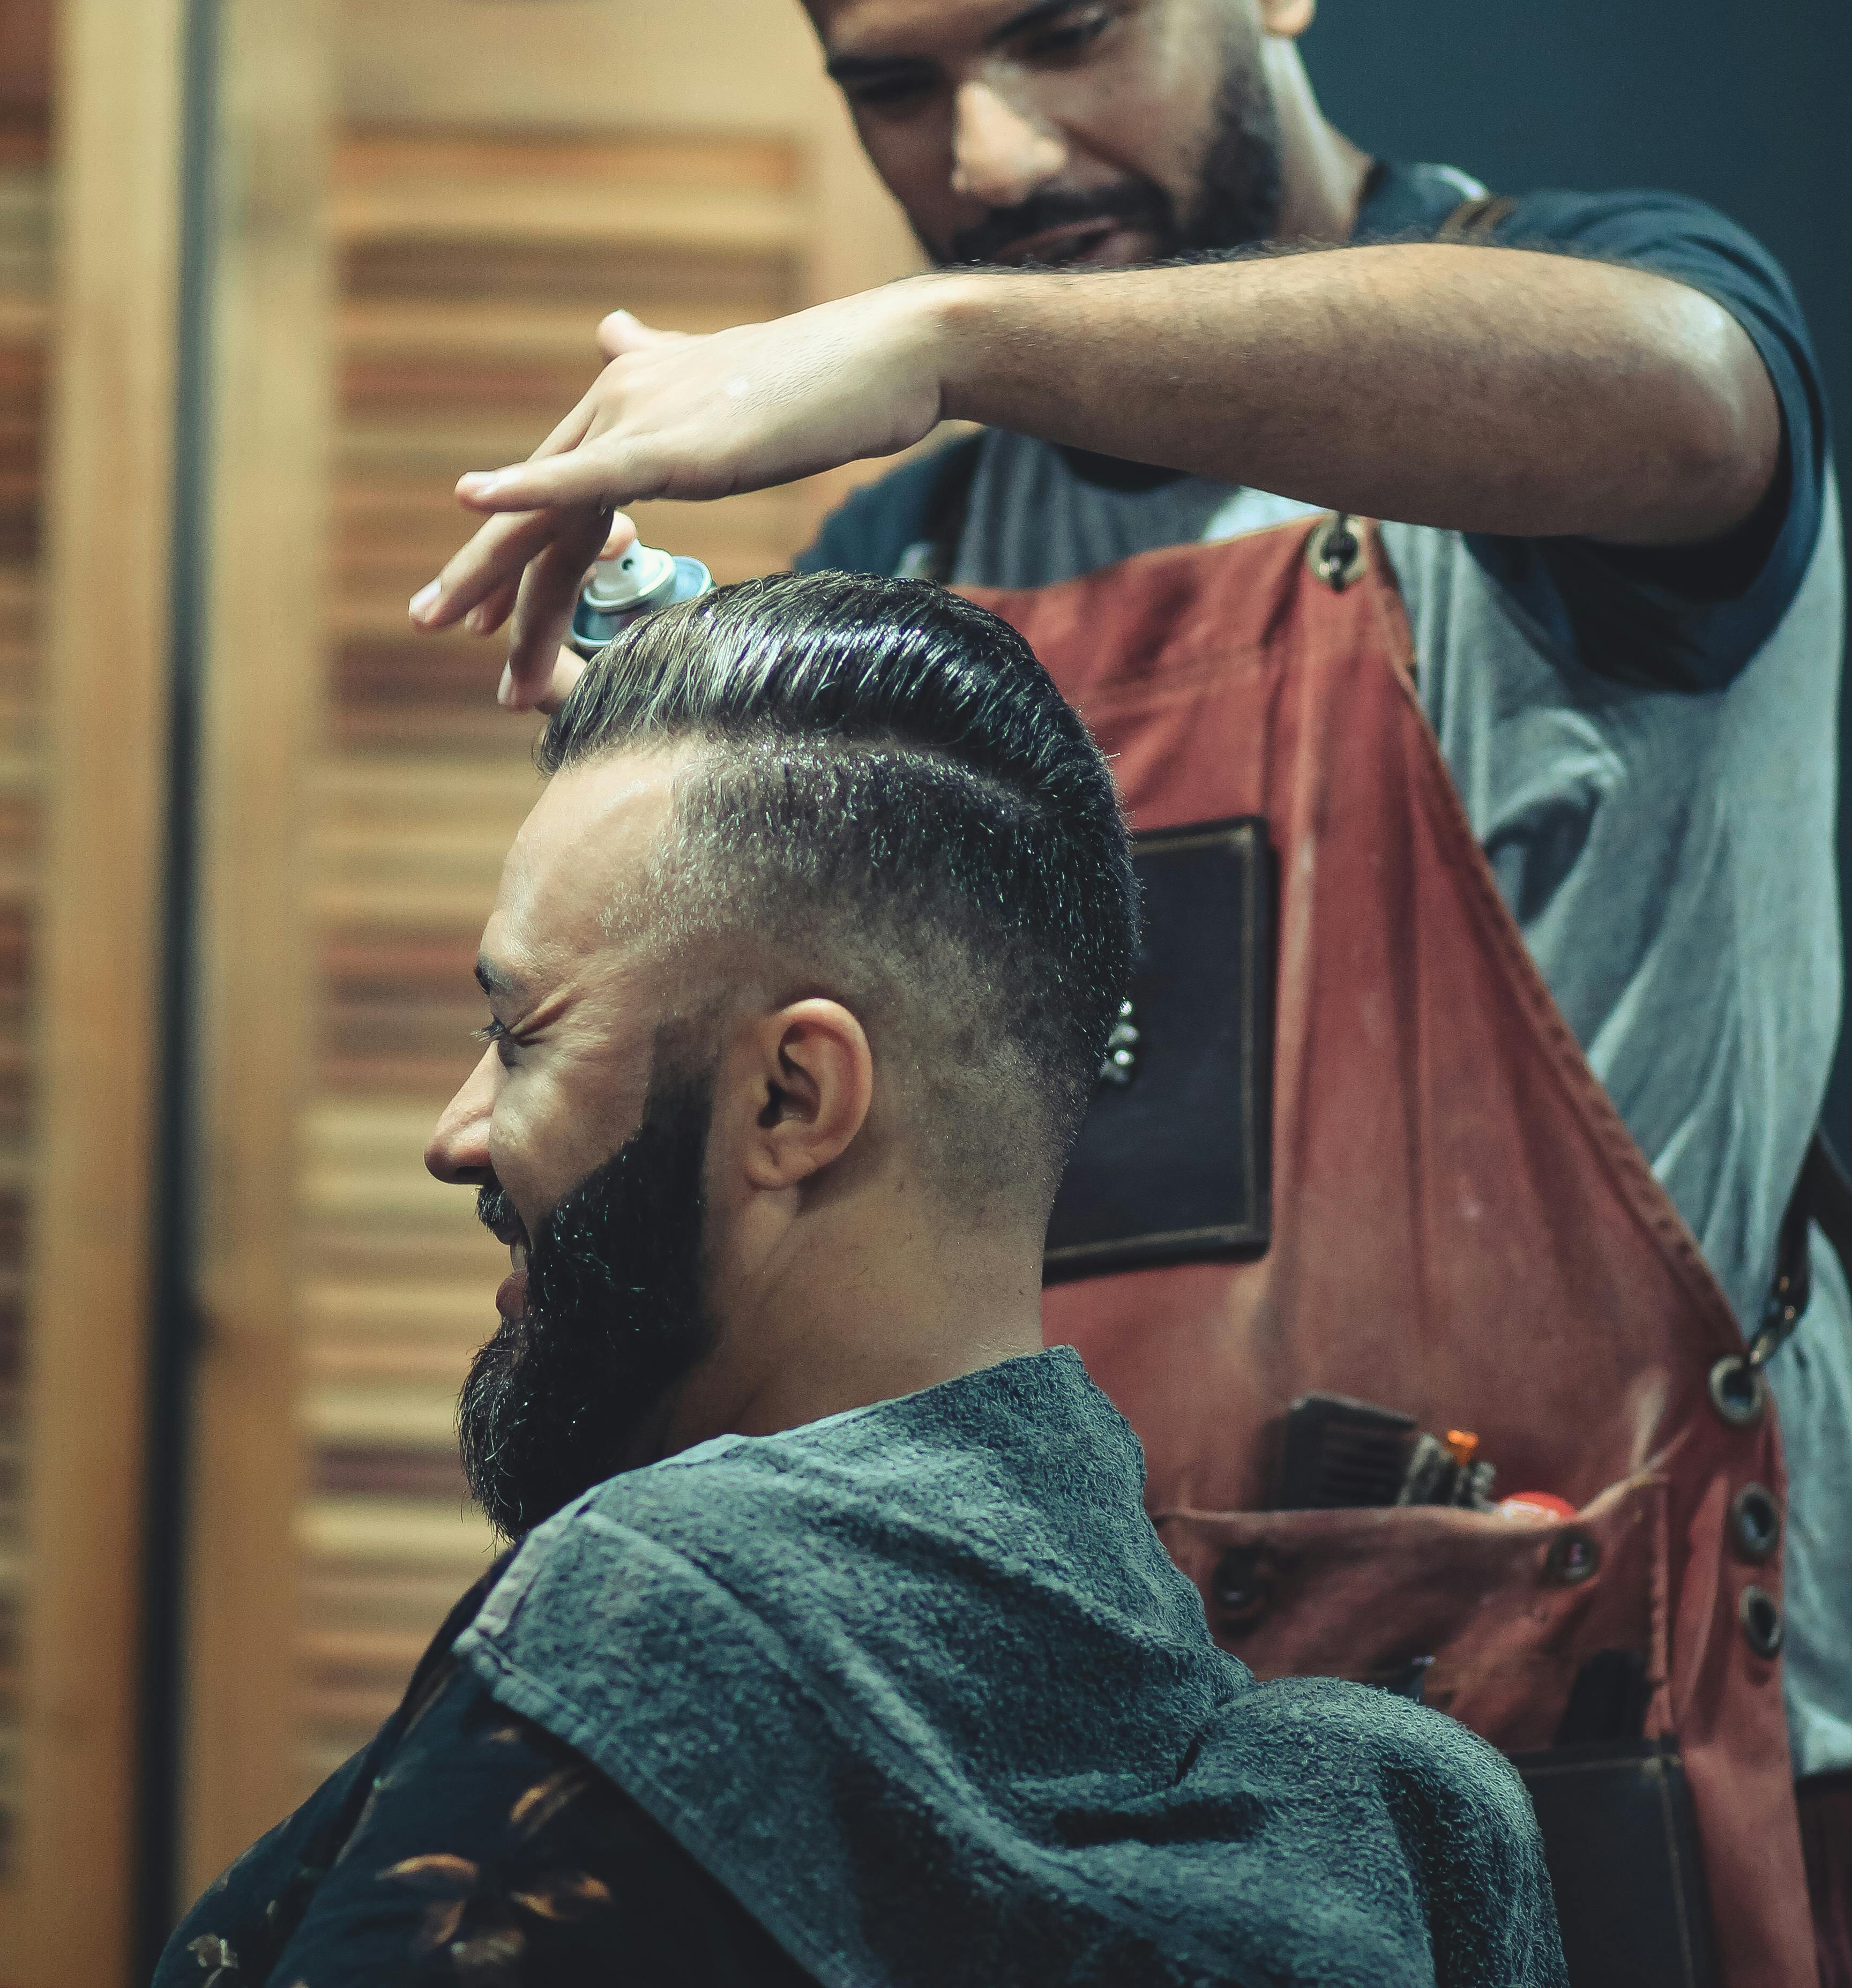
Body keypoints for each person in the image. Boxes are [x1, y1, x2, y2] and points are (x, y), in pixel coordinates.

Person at [408, 0, 1851, 1980]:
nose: (988, 157)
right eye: (895, 86)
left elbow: (1700, 398)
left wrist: (942, 338)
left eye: (1071, 32)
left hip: (1622, 1771)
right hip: (1099, 1803)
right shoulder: (926, 575)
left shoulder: (1583, 351)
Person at [157, 574, 1560, 1987]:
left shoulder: (658, 1620)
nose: (455, 1134)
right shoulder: (1380, 1827)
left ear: (791, 1096)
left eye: (521, 1036)